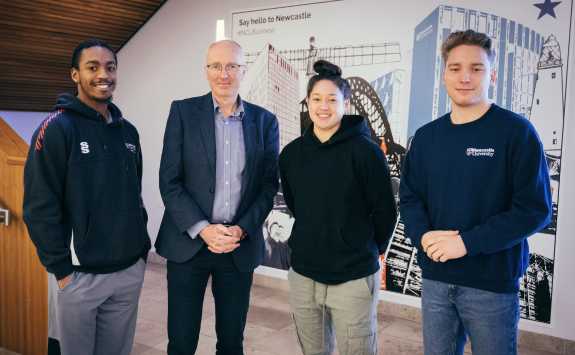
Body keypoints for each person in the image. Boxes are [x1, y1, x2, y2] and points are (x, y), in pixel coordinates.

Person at [399, 29, 552, 355]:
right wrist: (422, 236)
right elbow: (410, 197)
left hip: (491, 286)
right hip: (436, 280)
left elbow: (534, 210)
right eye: (455, 68)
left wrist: (466, 243)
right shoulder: (426, 138)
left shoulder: (516, 133)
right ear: (444, 74)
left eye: (476, 68)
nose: (465, 77)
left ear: (492, 74)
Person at [23, 38, 150, 355]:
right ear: (75, 75)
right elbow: (39, 206)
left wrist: (140, 252)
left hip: (127, 272)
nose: (103, 75)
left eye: (110, 67)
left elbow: (134, 195)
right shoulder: (56, 128)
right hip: (79, 276)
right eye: (92, 67)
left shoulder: (128, 132)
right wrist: (61, 269)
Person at [155, 39, 279, 355]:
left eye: (231, 66)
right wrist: (203, 228)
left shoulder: (265, 122)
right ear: (206, 69)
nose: (223, 74)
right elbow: (169, 181)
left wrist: (241, 229)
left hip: (237, 247)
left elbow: (268, 186)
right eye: (215, 66)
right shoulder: (182, 112)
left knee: (231, 342)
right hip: (188, 244)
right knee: (181, 342)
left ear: (243, 70)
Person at [279, 60, 397, 355]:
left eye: (332, 99)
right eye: (316, 99)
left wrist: (362, 248)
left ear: (346, 103)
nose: (323, 106)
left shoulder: (367, 153)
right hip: (304, 274)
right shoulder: (292, 154)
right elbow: (296, 204)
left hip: (353, 276)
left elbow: (385, 213)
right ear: (308, 103)